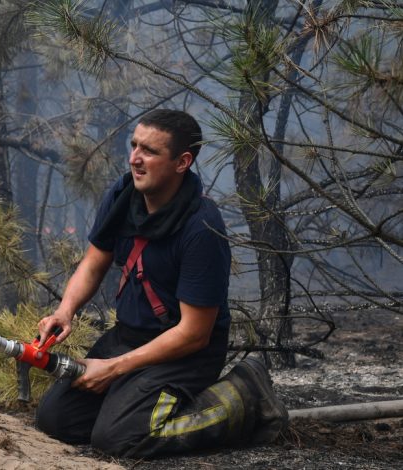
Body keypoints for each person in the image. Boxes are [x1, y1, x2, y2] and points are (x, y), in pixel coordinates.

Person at [35, 109, 287, 457]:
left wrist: (113, 369)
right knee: (55, 420)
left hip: (185, 354)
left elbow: (194, 334)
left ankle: (244, 395)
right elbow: (93, 263)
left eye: (150, 151)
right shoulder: (123, 195)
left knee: (118, 439)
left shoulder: (202, 228)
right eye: (134, 145)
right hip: (128, 338)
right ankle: (129, 404)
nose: (135, 159)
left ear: (182, 162)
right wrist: (65, 311)